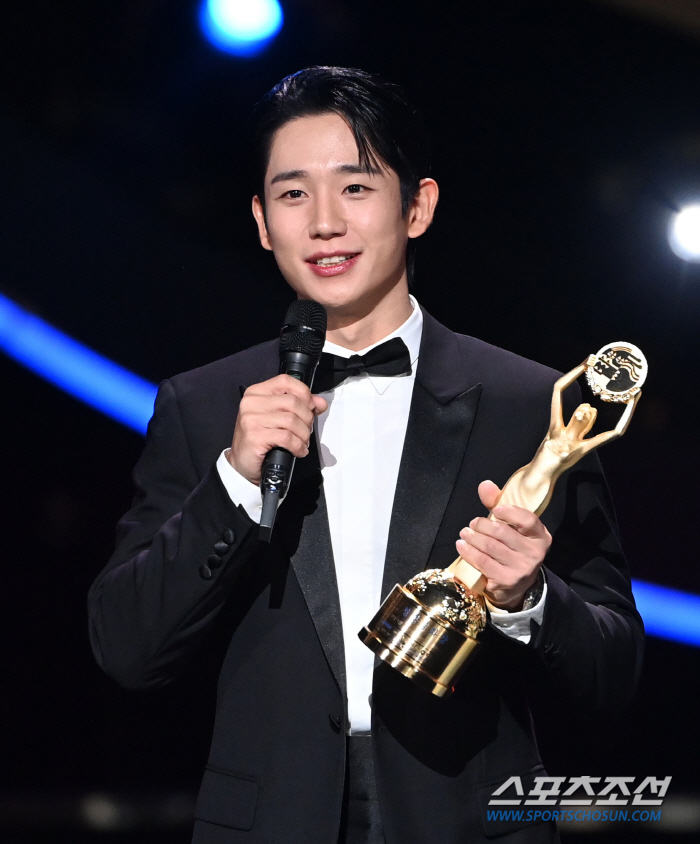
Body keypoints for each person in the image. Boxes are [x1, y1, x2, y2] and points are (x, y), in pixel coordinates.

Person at [88, 67, 644, 844]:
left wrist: (530, 601)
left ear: (417, 207)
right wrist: (233, 481)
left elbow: (614, 674)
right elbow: (127, 647)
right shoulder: (204, 405)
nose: (323, 223)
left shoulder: (532, 404)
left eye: (355, 188)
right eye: (292, 194)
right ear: (260, 220)